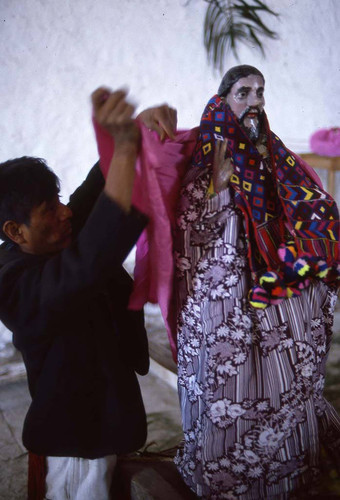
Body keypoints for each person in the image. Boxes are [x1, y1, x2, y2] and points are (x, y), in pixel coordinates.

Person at [172, 65, 340, 498]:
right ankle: (232, 476)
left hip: (272, 276)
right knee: (232, 376)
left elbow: (300, 193)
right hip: (223, 284)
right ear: (225, 95)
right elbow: (189, 217)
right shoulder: (210, 146)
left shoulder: (269, 147)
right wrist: (222, 194)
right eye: (245, 91)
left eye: (260, 92)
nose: (255, 101)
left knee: (288, 360)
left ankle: (288, 469)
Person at [0, 88, 176, 500]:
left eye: (58, 200)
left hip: (100, 423)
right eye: (49, 208)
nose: (64, 212)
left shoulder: (45, 240)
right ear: (15, 231)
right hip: (77, 446)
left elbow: (92, 194)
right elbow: (90, 260)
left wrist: (137, 132)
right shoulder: (15, 285)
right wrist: (127, 150)